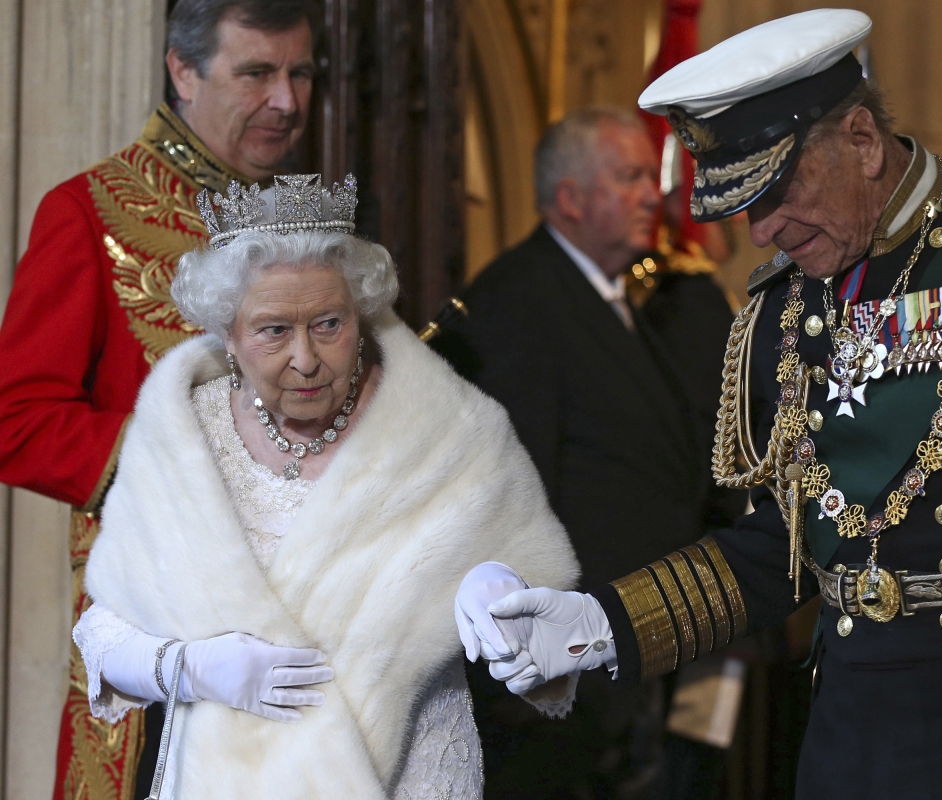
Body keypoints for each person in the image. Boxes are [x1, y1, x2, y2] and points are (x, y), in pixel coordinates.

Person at [455, 9, 942, 799]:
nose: (764, 230)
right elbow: (790, 543)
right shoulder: (787, 307)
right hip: (855, 746)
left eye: (778, 190)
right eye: (743, 206)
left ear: (862, 140)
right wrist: (603, 625)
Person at [71, 173, 578, 798]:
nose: (307, 359)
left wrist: (504, 591)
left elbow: (547, 626)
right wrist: (193, 668)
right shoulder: (184, 439)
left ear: (361, 314)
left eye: (329, 323)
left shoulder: (447, 430)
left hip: (406, 773)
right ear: (227, 334)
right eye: (273, 331)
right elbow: (104, 632)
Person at [0, 1, 318, 794]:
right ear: (183, 70)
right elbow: (18, 420)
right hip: (156, 640)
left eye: (301, 73)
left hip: (306, 633)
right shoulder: (88, 211)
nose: (287, 100)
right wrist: (189, 458)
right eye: (257, 73)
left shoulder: (318, 224)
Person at [434, 107, 738, 797]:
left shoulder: (620, 298)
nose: (653, 196)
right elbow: (512, 498)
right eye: (628, 177)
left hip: (631, 648)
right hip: (562, 679)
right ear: (570, 198)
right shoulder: (517, 304)